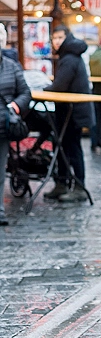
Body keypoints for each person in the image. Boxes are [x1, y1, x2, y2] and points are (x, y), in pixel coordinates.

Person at [44, 25, 95, 202]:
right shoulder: (69, 56)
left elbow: (60, 86)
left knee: (73, 148)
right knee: (64, 147)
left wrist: (44, 88)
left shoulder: (69, 58)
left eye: (59, 38)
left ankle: (79, 187)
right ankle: (62, 183)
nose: (56, 41)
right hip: (69, 110)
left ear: (66, 37)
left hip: (73, 112)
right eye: (54, 38)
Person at [0, 25, 30, 225]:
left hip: (3, 125)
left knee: (0, 171)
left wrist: (14, 106)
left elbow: (25, 93)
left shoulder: (11, 66)